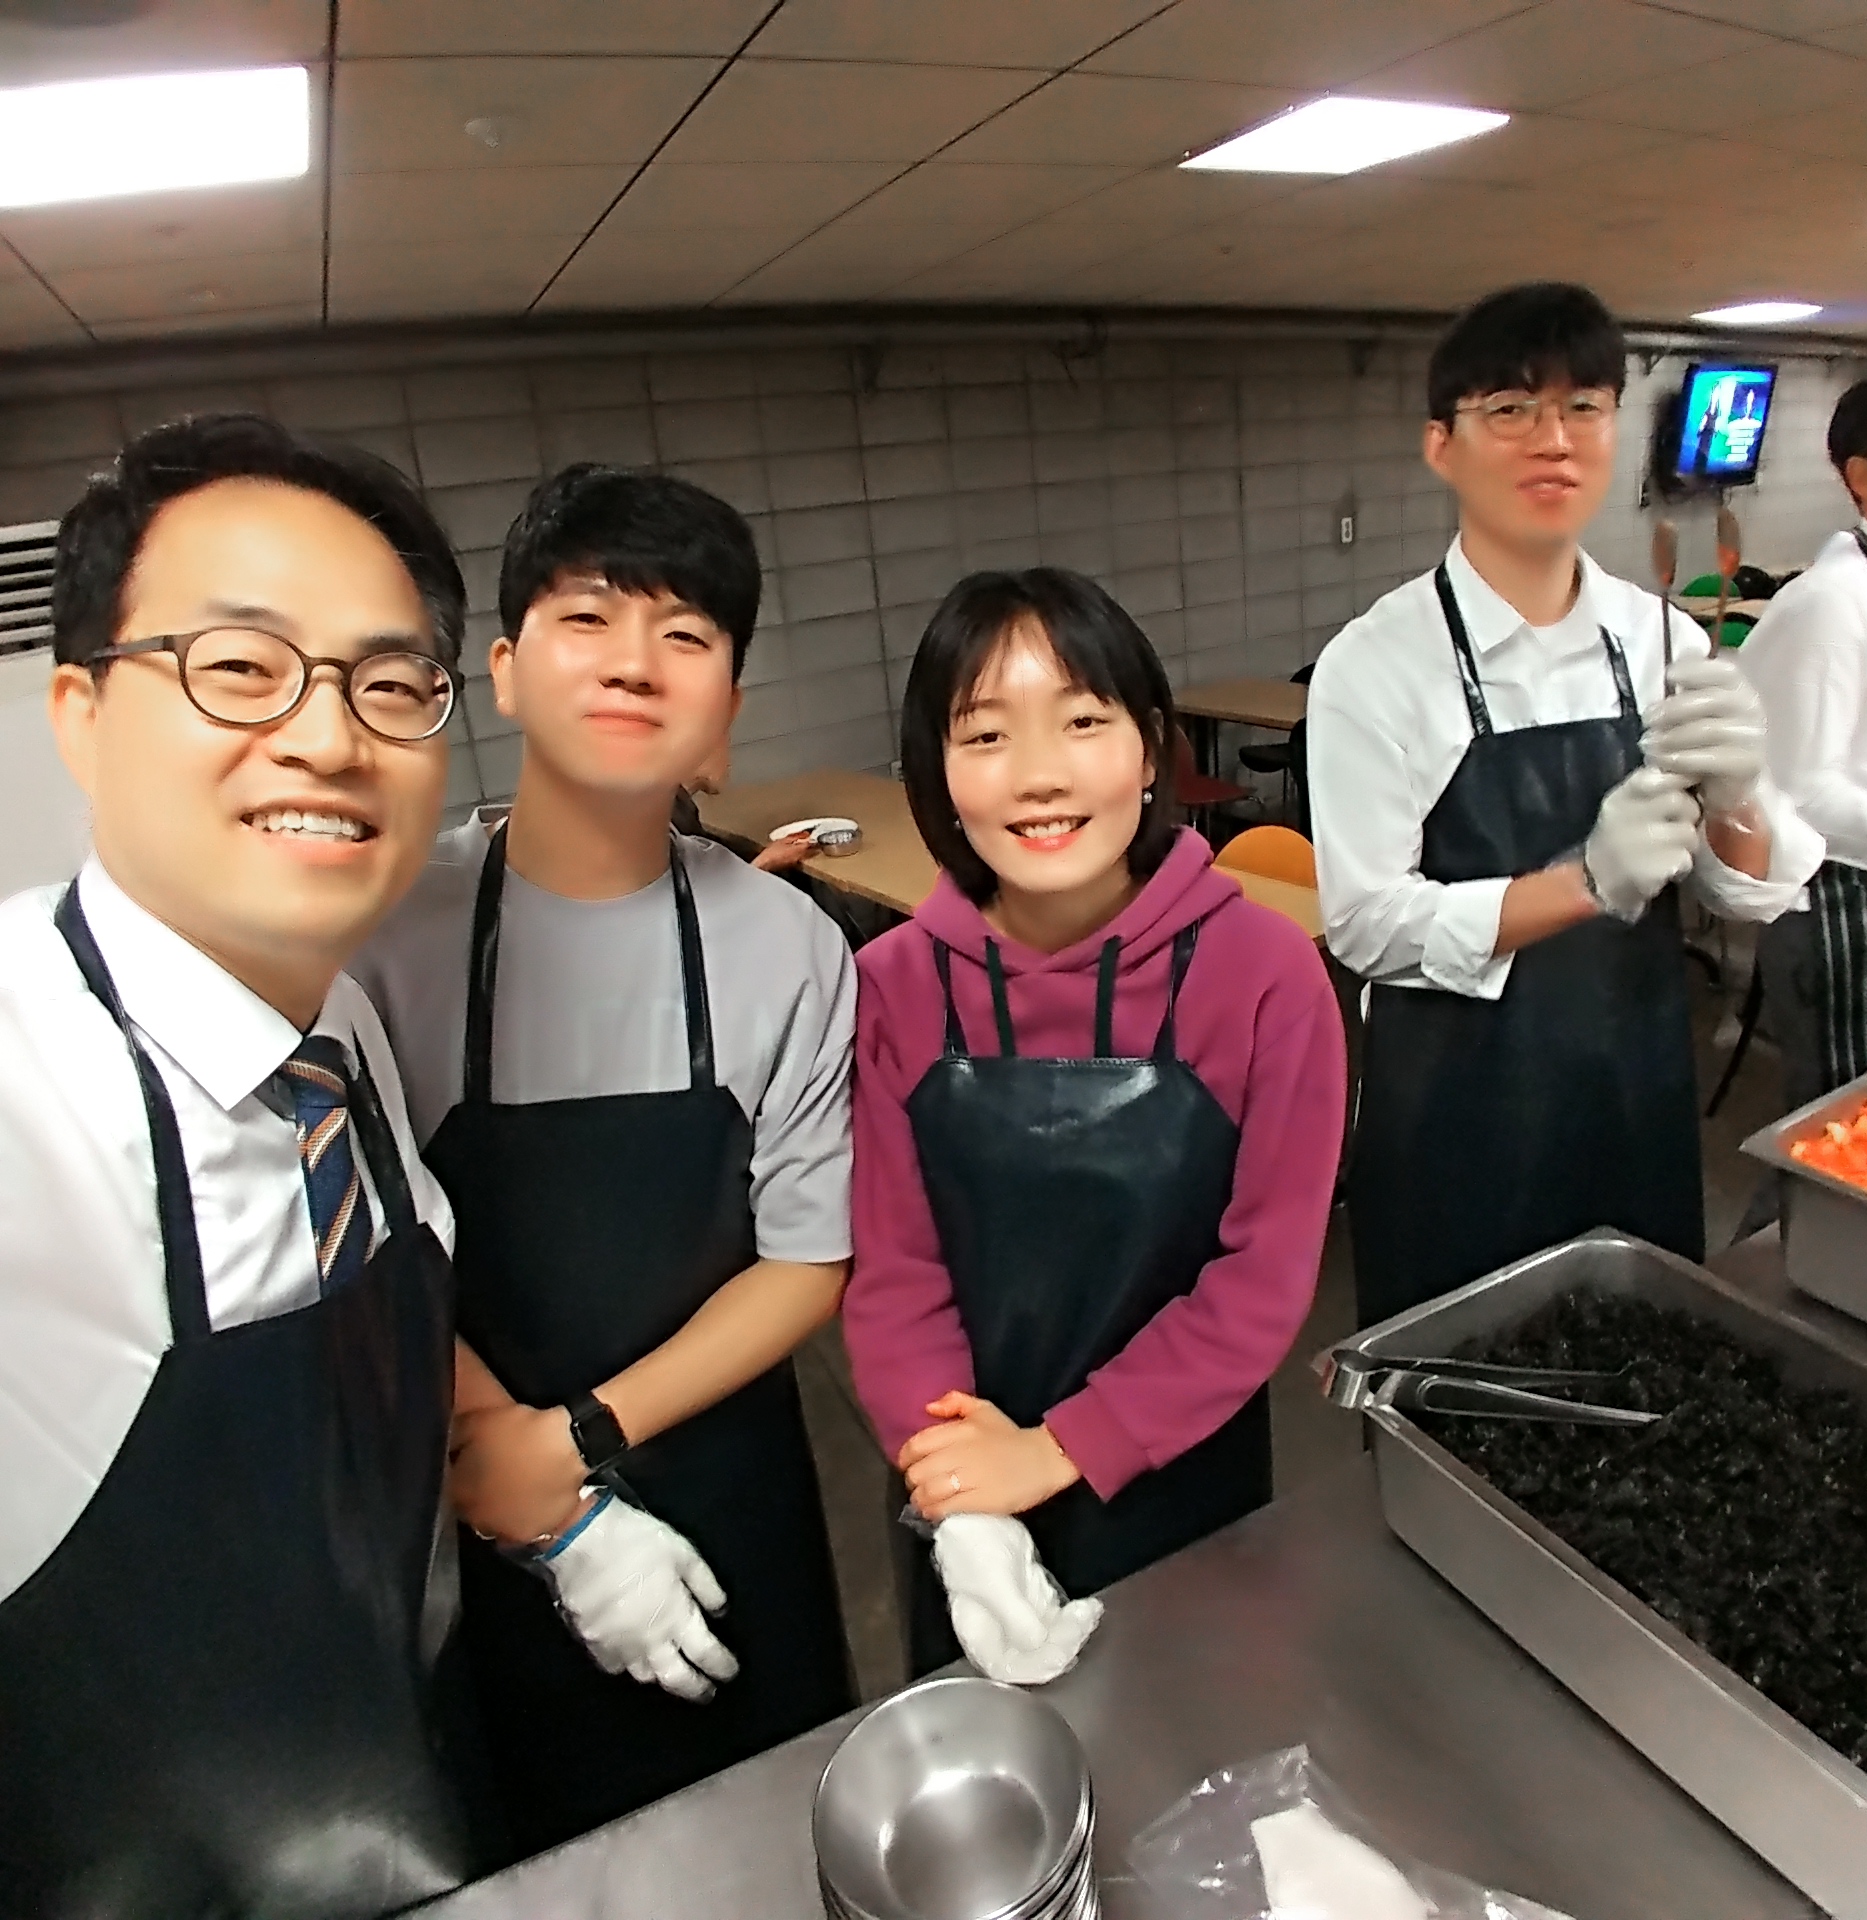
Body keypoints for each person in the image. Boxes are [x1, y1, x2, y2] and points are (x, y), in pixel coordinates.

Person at [0, 414, 483, 1916]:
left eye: (388, 683)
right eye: (239, 666)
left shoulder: (332, 1025)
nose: (329, 737)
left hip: (390, 1794)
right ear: (79, 712)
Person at [353, 463, 856, 1859]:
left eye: (686, 634)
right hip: (475, 1499)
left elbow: (807, 1258)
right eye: (587, 618)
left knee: (776, 1847)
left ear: (728, 706)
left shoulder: (786, 944)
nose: (635, 661)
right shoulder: (387, 939)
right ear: (504, 671)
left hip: (725, 1484)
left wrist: (571, 1444)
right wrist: (529, 1494)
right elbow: (363, 1245)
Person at [842, 568, 1346, 1680]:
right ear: (935, 771)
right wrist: (966, 1497)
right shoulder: (891, 989)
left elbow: (1260, 1279)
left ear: (1153, 746)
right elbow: (893, 1275)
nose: (1040, 775)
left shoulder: (1265, 975)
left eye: (1082, 721)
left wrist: (1063, 1447)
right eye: (986, 735)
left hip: (1181, 1470)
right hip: (964, 1480)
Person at [1309, 283, 1823, 1328]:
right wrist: (1583, 882)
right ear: (1442, 445)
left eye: (1584, 406)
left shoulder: (1665, 637)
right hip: (1458, 1118)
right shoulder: (1377, 664)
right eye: (1510, 408)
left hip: (1634, 1096)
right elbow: (1366, 925)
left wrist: (1737, 799)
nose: (1554, 439)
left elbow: (1746, 896)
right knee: (1466, 1380)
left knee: (1647, 1367)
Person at [1742, 349, 1867, 1110]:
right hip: (1851, 931)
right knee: (1851, 1141)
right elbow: (1796, 802)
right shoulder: (1833, 605)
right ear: (1863, 473)